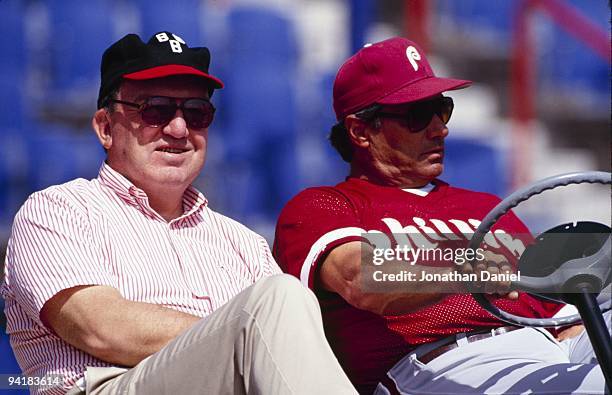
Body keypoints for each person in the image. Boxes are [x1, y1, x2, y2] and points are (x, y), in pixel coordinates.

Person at [0, 31, 357, 395]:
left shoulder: (244, 243)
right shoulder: (58, 211)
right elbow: (100, 327)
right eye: (155, 109)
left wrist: (250, 333)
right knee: (280, 299)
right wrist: (246, 331)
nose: (178, 128)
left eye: (196, 112)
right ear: (106, 128)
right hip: (108, 386)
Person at [273, 37, 609, 394]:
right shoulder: (324, 206)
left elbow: (550, 305)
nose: (440, 128)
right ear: (360, 131)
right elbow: (359, 280)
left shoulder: (484, 205)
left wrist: (572, 331)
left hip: (547, 346)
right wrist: (467, 270)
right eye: (417, 116)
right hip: (444, 361)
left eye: (441, 109)